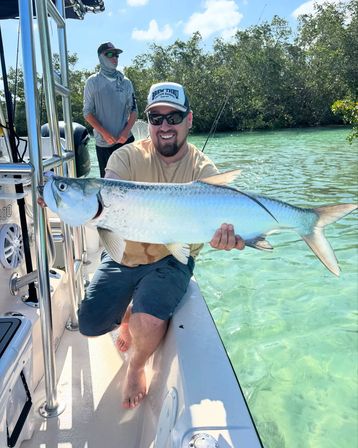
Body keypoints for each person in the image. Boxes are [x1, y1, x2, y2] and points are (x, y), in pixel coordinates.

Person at [78, 81, 245, 409]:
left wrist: (231, 238)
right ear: (149, 122)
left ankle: (136, 366)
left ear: (189, 120)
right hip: (128, 253)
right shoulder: (127, 157)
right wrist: (64, 200)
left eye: (174, 117)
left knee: (150, 320)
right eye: (156, 118)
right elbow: (104, 191)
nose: (165, 126)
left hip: (172, 258)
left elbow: (223, 223)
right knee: (90, 323)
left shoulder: (203, 168)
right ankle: (126, 314)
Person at [83, 42, 138, 177]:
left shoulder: (126, 82)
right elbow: (87, 112)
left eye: (116, 55)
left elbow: (134, 110)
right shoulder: (92, 82)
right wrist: (105, 134)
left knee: (131, 179)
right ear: (100, 57)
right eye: (110, 54)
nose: (115, 58)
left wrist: (125, 132)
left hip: (126, 140)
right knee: (108, 185)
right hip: (103, 143)